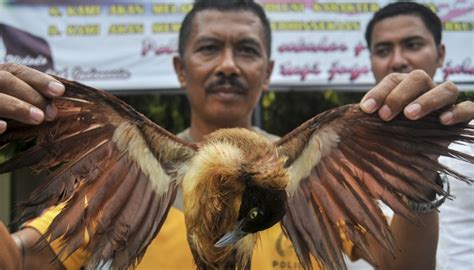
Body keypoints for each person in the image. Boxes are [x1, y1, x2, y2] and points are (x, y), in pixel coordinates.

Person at [0, 0, 473, 269]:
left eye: (246, 50)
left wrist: (418, 177)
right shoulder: (122, 172)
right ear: (181, 70)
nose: (228, 64)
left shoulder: (314, 163)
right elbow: (18, 261)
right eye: (210, 49)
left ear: (266, 72)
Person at [364, 2, 474, 270]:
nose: (398, 60)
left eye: (413, 45)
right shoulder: (346, 148)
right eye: (383, 50)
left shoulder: (469, 132)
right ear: (370, 60)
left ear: (440, 53)